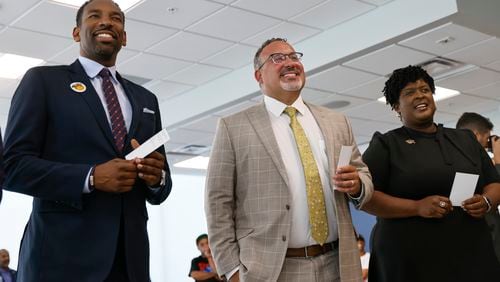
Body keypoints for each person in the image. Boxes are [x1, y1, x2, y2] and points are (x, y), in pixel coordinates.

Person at [3, 0, 172, 281]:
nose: (107, 22)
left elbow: (161, 186)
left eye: (116, 18)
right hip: (60, 260)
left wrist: (157, 179)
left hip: (129, 263)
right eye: (95, 16)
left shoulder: (146, 100)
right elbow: (12, 167)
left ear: (125, 37)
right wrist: (90, 177)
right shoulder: (43, 82)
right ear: (76, 33)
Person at [205, 38, 373, 282]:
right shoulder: (234, 127)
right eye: (277, 58)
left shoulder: (337, 121)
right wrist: (231, 270)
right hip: (272, 270)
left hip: (338, 264)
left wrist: (357, 185)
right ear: (258, 76)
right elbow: (217, 203)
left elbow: (363, 175)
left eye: (294, 57)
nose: (290, 63)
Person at [362, 65, 500, 282]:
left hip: (470, 254)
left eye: (425, 89)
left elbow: (494, 182)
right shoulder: (386, 144)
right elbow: (365, 198)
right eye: (409, 92)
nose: (420, 95)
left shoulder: (465, 139)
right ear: (396, 106)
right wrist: (417, 207)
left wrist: (486, 201)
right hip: (410, 258)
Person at [456, 112, 500, 262]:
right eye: (487, 138)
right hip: (485, 240)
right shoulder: (464, 163)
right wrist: (499, 162)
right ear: (474, 135)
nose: (487, 144)